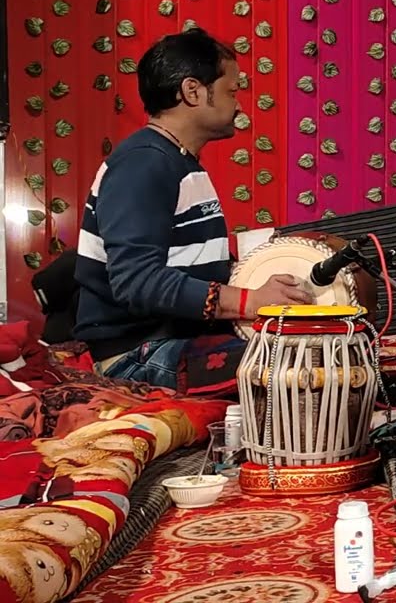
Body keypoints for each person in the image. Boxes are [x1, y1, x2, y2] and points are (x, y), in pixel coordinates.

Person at [74, 28, 313, 393]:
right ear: (193, 91)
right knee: (305, 363)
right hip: (135, 354)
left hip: (170, 340)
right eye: (232, 92)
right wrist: (249, 301)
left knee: (323, 342)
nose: (240, 105)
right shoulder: (143, 165)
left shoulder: (179, 162)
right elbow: (136, 281)